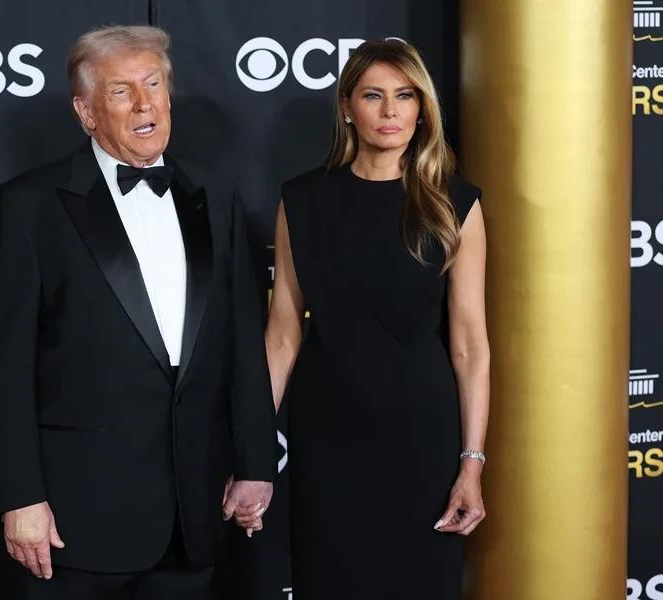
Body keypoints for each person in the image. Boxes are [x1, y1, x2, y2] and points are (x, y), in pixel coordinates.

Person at [0, 25, 276, 600]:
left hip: (196, 510)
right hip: (75, 518)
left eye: (154, 84)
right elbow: (2, 369)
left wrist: (256, 463)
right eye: (121, 91)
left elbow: (243, 339)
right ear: (86, 112)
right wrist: (19, 497)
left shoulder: (215, 193)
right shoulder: (27, 206)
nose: (145, 104)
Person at [264, 38, 490, 599]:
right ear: (347, 106)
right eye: (373, 95)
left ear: (422, 109)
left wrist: (471, 464)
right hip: (326, 435)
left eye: (405, 96)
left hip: (423, 438)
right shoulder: (302, 200)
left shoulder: (454, 204)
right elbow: (283, 334)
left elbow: (469, 344)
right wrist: (250, 449)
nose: (390, 111)